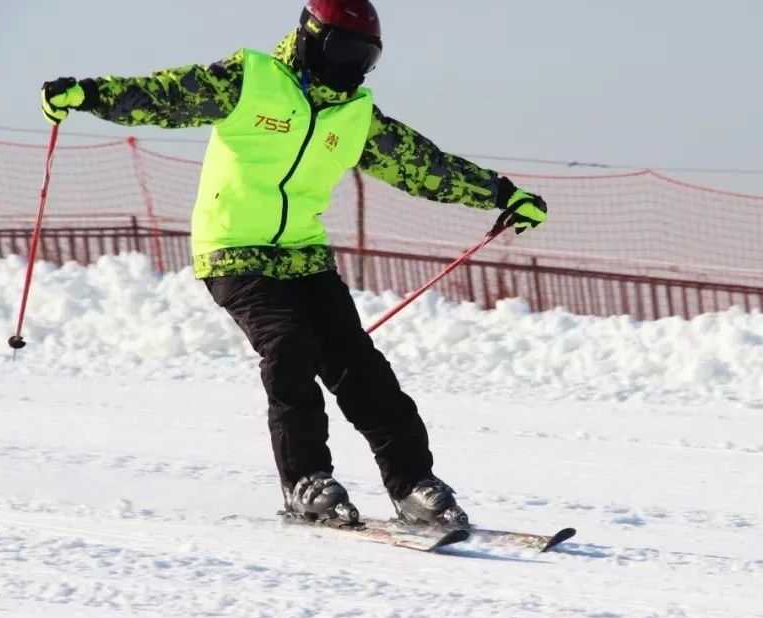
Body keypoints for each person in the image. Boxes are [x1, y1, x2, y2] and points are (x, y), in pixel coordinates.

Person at [39, 0, 548, 527]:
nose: (351, 69)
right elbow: (167, 95)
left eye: (365, 58)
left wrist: (502, 193)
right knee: (288, 345)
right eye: (343, 51)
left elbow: (422, 165)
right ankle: (306, 480)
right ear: (310, 38)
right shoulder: (250, 79)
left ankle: (412, 483)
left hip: (304, 253)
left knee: (359, 366)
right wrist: (89, 93)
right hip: (233, 248)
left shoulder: (354, 114)